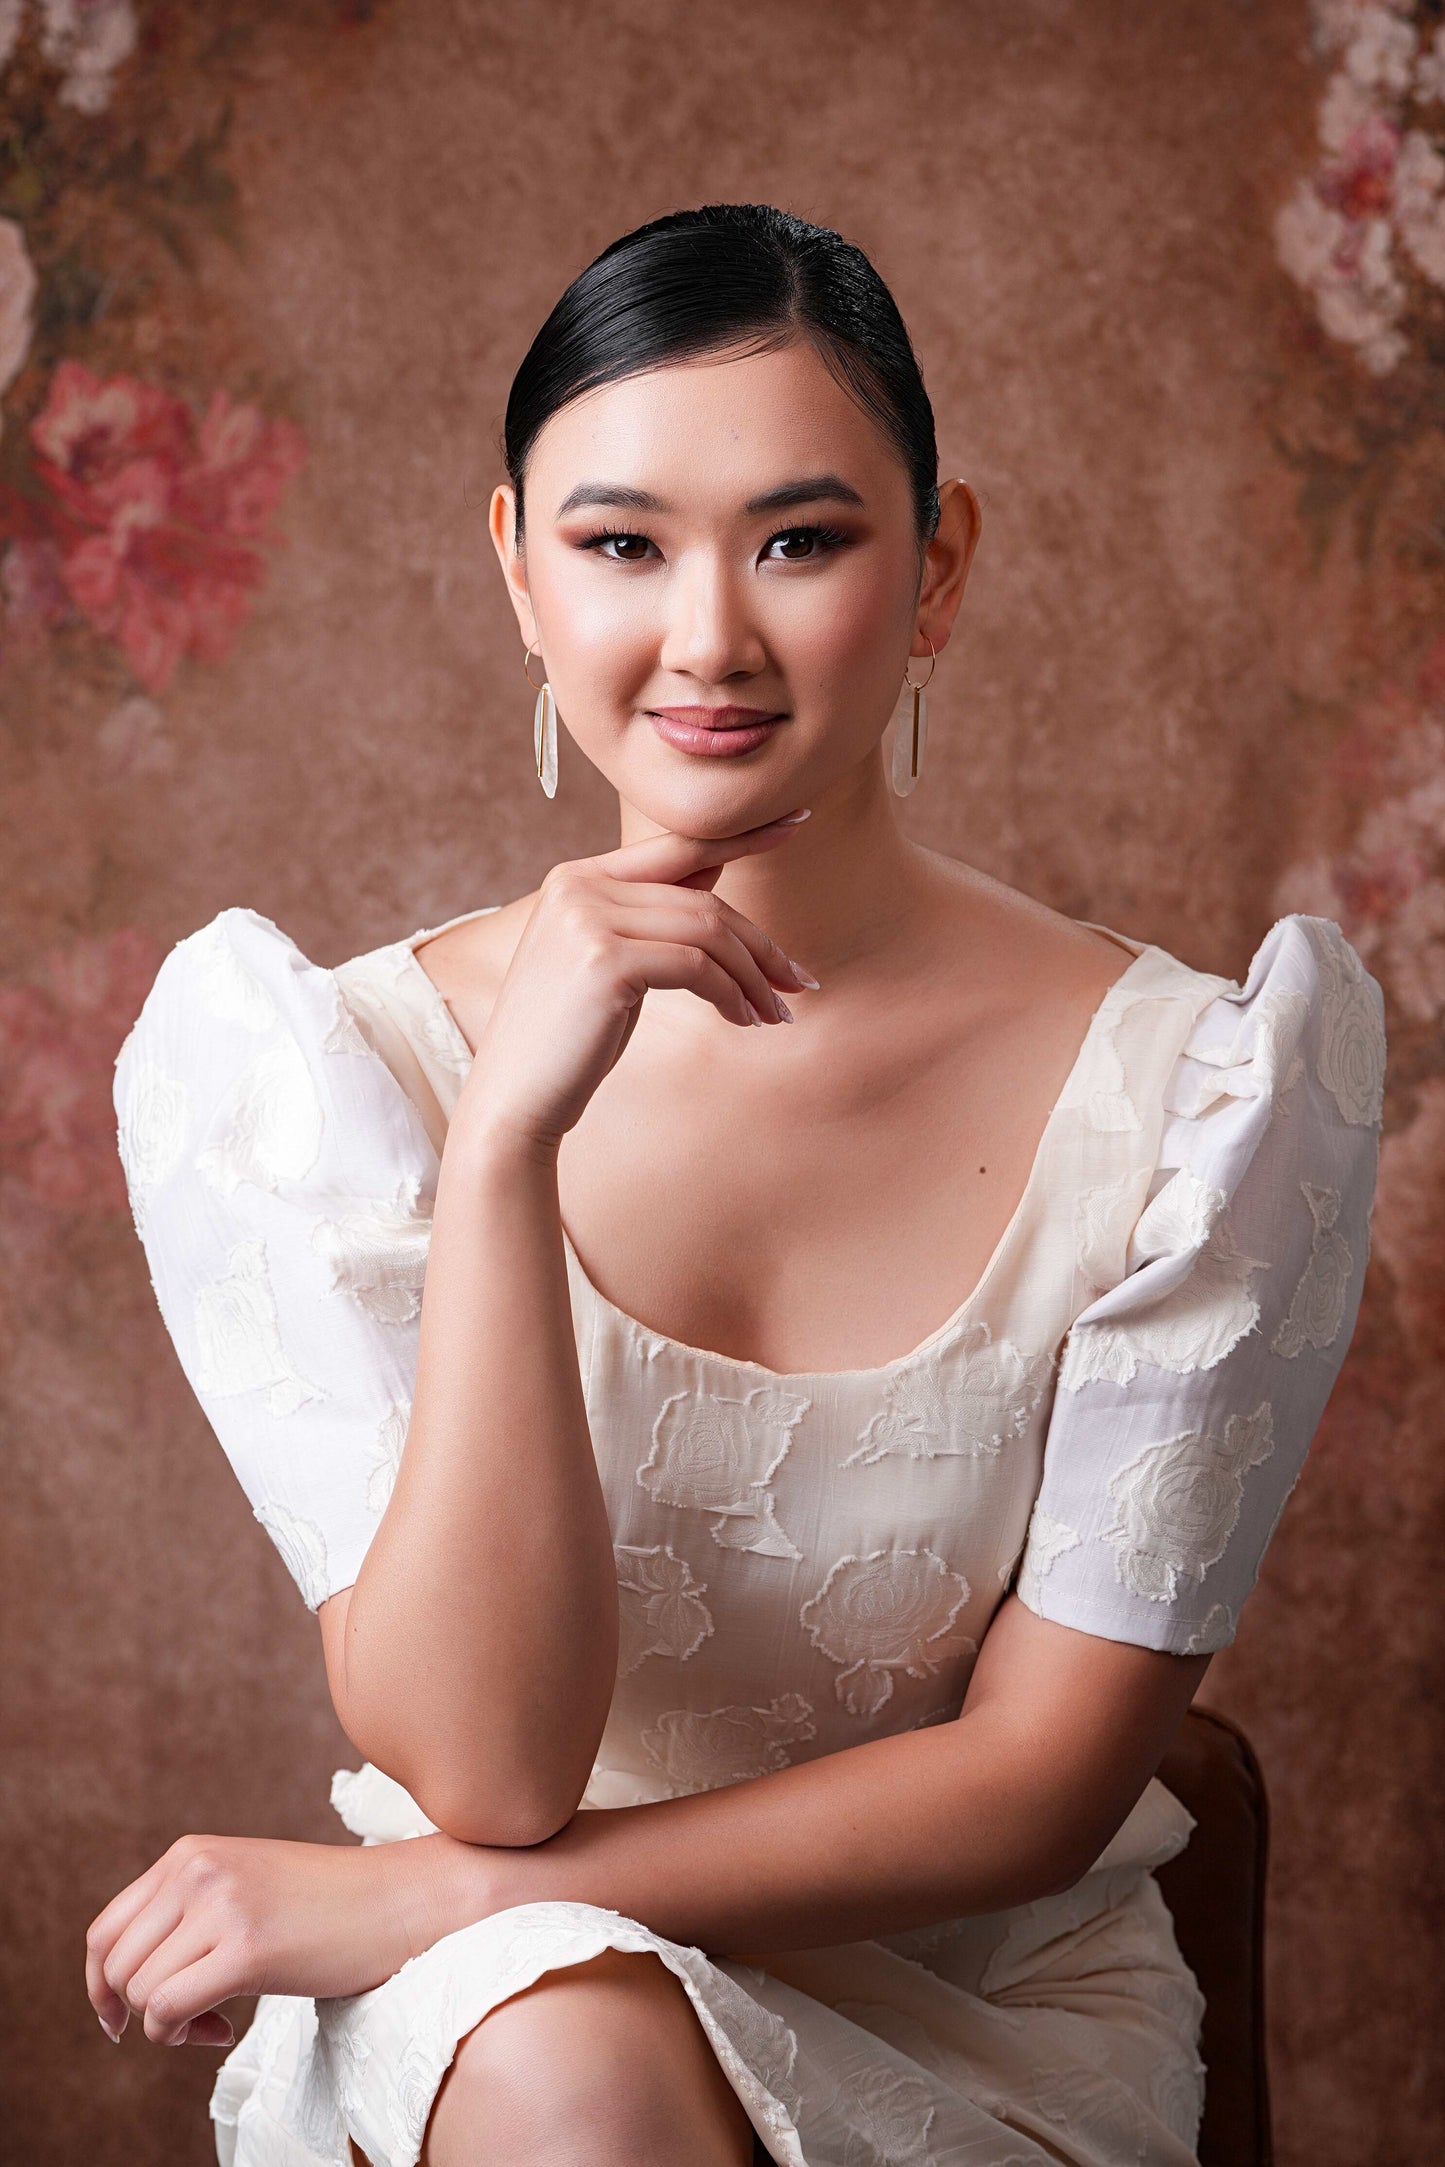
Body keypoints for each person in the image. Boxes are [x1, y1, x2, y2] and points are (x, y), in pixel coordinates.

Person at [87, 203, 1385, 2167]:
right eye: (620, 545)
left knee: (549, 2008)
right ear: (518, 571)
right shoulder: (318, 1079)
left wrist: (425, 1897)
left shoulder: (1204, 1090)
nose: (707, 637)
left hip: (991, 2014)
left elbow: (1045, 1781)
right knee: (557, 2044)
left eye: (802, 539)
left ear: (937, 567)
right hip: (505, 2032)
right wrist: (510, 1148)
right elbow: (491, 1769)